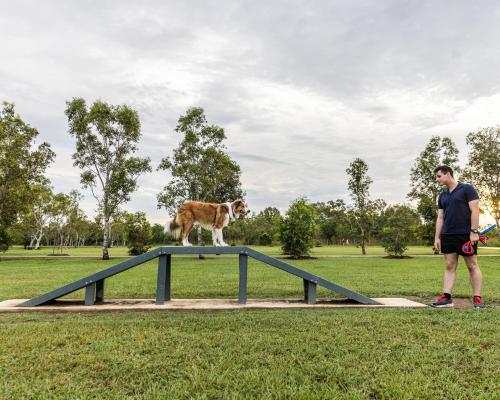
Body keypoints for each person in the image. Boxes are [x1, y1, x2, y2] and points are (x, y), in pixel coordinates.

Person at [432, 165, 485, 308]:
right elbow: (440, 217)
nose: (437, 180)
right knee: (449, 265)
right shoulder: (442, 195)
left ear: (448, 174)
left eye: (439, 176)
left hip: (466, 235)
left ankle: (477, 299)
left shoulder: (467, 189)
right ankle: (447, 298)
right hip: (448, 235)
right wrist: (437, 237)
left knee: (472, 265)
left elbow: (475, 210)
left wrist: (474, 231)